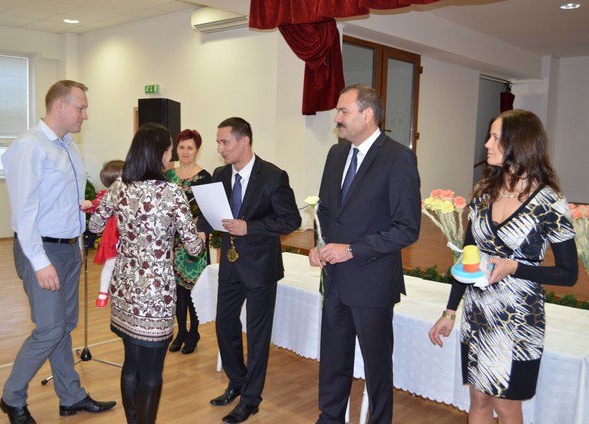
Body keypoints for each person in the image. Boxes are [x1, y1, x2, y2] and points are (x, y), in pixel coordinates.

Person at [428, 109, 578, 424]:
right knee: (478, 398)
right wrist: (450, 312)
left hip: (519, 321)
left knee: (506, 406)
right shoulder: (484, 194)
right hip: (478, 314)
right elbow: (468, 257)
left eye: (495, 137)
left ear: (518, 144)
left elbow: (568, 273)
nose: (486, 144)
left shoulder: (550, 203)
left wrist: (515, 268)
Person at [0, 80, 116, 424]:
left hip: (67, 248)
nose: (85, 115)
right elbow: (24, 213)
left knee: (65, 326)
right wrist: (40, 262)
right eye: (81, 107)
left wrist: (79, 233)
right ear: (60, 106)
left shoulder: (68, 146)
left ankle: (71, 396)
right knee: (50, 329)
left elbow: (58, 200)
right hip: (41, 250)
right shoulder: (30, 146)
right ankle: (11, 397)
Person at [309, 84, 421, 424]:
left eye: (343, 111)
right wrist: (319, 243)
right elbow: (325, 211)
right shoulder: (336, 154)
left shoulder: (398, 157)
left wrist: (352, 250)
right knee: (333, 359)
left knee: (376, 366)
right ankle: (330, 417)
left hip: (373, 280)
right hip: (335, 278)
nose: (337, 118)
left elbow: (406, 228)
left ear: (367, 115)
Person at [89, 123, 205, 424]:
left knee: (131, 364)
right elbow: (193, 249)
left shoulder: (119, 187)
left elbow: (94, 226)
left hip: (125, 288)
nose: (171, 157)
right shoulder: (172, 192)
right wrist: (199, 238)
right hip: (156, 294)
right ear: (158, 154)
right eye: (169, 151)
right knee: (152, 371)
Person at [198, 117, 301, 423]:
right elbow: (211, 212)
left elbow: (290, 220)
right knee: (224, 326)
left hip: (261, 268)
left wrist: (250, 227)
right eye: (218, 143)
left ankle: (251, 399)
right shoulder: (220, 174)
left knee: (257, 337)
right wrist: (202, 229)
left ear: (244, 141)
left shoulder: (273, 176)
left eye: (224, 142)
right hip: (230, 265)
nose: (220, 149)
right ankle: (238, 381)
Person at [165, 129, 212, 354]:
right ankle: (181, 331)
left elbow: (208, 211)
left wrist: (196, 227)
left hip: (194, 241)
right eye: (181, 147)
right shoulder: (167, 175)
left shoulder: (205, 177)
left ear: (197, 150)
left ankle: (194, 331)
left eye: (190, 148)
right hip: (171, 241)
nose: (185, 152)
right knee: (176, 290)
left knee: (193, 289)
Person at [81, 160, 125, 307]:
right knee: (110, 263)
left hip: (125, 233)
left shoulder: (131, 194)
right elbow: (96, 205)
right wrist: (88, 204)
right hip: (113, 234)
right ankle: (103, 292)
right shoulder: (105, 195)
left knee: (115, 265)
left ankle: (108, 293)